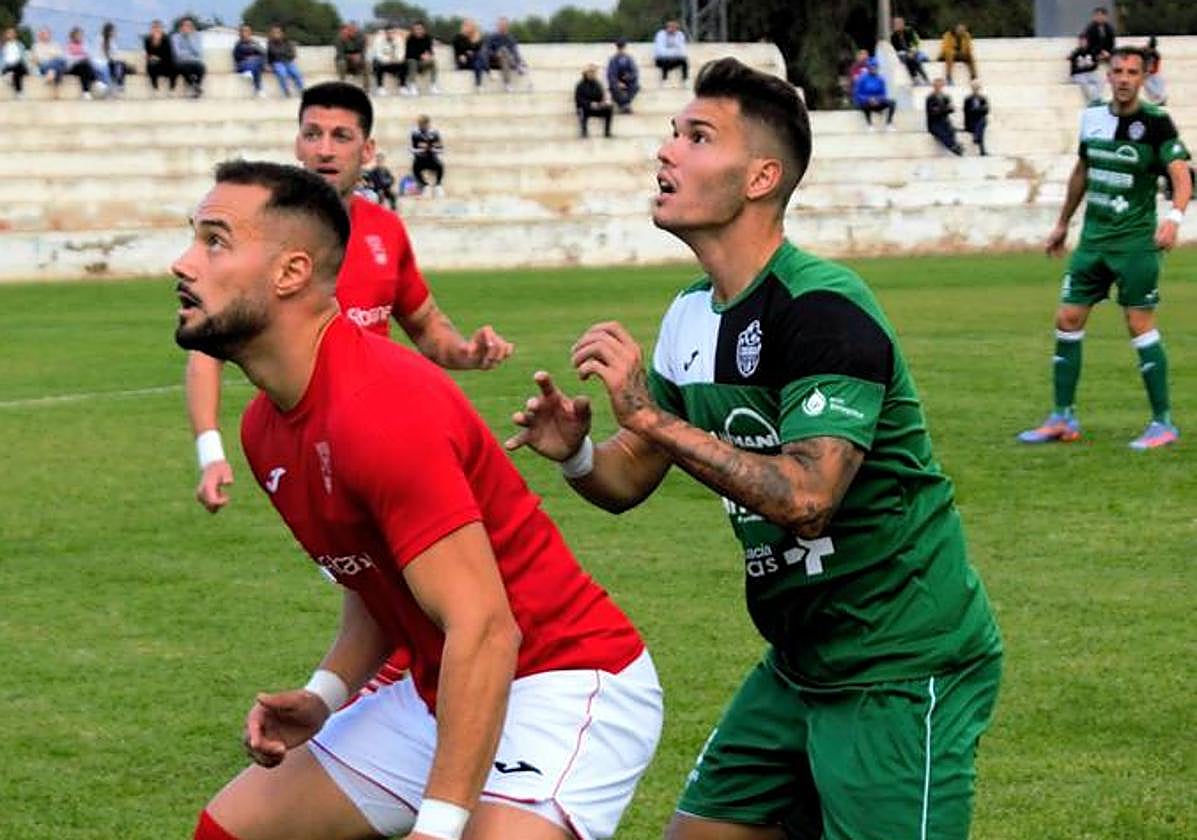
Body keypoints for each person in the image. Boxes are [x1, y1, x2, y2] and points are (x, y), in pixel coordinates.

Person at [506, 56, 1002, 840]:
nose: (666, 151)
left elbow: (807, 499)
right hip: (799, 659)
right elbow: (629, 477)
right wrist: (576, 453)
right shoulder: (689, 317)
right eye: (672, 133)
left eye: (697, 137)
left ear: (761, 176)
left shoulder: (824, 308)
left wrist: (650, 416)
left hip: (899, 662)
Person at [174, 160, 663, 840]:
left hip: (562, 680)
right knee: (226, 829)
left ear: (289, 273)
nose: (183, 262)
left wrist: (437, 827)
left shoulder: (378, 407)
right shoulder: (264, 428)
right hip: (446, 686)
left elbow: (488, 631)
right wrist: (325, 696)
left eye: (214, 240)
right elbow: (376, 582)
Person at [185, 81, 514, 711]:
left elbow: (426, 326)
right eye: (312, 133)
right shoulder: (262, 240)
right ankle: (393, 698)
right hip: (316, 443)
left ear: (369, 149)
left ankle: (399, 699)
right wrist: (211, 451)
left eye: (341, 136)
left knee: (420, 585)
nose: (324, 148)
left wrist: (467, 352)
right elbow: (205, 350)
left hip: (378, 434)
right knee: (382, 582)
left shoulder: (385, 232)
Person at [1018, 46, 1191, 450]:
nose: (1125, 78)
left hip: (1134, 245)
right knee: (1067, 318)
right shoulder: (1093, 117)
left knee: (1139, 325)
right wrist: (1063, 223)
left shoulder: (1156, 123)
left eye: (1133, 72)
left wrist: (1174, 218)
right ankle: (1062, 418)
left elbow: (1181, 177)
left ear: (1144, 78)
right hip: (1093, 242)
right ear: (1107, 75)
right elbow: (1082, 171)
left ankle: (1162, 423)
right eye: (1118, 71)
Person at [478, 17, 525, 92]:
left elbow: (515, 51)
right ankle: (517, 67)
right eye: (501, 25)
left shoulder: (510, 38)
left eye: (505, 25)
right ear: (497, 26)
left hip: (507, 61)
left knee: (505, 52)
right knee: (503, 50)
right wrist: (495, 54)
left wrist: (519, 60)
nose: (503, 27)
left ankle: (508, 83)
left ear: (507, 26)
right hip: (494, 61)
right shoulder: (491, 37)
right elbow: (485, 50)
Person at [851, 56, 895, 130]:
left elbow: (883, 93)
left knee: (892, 102)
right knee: (864, 105)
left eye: (875, 67)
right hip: (866, 102)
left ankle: (889, 123)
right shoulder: (862, 78)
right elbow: (858, 93)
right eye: (872, 67)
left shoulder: (880, 79)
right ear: (869, 68)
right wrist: (868, 99)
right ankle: (869, 124)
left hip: (877, 102)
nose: (874, 69)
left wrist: (877, 100)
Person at [65, 27, 107, 99]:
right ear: (73, 36)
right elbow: (68, 59)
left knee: (86, 67)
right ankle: (97, 81)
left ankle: (86, 92)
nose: (80, 37)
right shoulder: (68, 45)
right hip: (73, 68)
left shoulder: (84, 45)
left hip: (83, 67)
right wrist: (80, 58)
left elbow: (89, 56)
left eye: (81, 35)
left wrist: (85, 58)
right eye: (78, 35)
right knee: (84, 64)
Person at [574, 63, 613, 139]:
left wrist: (604, 102)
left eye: (594, 72)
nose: (592, 74)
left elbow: (601, 96)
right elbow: (578, 100)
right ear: (586, 73)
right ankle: (584, 132)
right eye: (590, 72)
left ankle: (607, 132)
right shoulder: (580, 85)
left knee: (609, 108)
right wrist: (590, 104)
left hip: (596, 107)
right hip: (586, 108)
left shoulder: (598, 84)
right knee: (581, 111)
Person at [926, 77, 963, 155]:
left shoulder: (946, 96)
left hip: (944, 121)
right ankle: (954, 147)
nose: (938, 87)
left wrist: (941, 109)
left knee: (951, 130)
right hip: (934, 123)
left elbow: (952, 109)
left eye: (940, 85)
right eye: (936, 85)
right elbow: (933, 112)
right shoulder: (930, 98)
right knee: (942, 134)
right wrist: (945, 109)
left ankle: (955, 146)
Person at [171, 16, 206, 98]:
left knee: (202, 68)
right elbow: (178, 53)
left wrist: (190, 38)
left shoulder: (197, 36)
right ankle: (195, 88)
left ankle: (195, 87)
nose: (187, 27)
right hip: (182, 62)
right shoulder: (175, 37)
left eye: (189, 26)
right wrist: (190, 54)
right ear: (181, 27)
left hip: (195, 62)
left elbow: (199, 52)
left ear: (193, 27)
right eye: (185, 25)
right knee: (183, 67)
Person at [410, 114, 444, 196]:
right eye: (421, 124)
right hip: (421, 159)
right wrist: (421, 150)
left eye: (425, 124)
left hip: (431, 158)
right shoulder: (415, 134)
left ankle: (438, 185)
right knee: (415, 168)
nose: (423, 126)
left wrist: (432, 149)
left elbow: (441, 149)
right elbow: (412, 149)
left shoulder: (434, 133)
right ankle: (425, 185)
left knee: (440, 166)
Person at [267, 24, 304, 97]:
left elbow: (292, 54)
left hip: (288, 62)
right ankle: (286, 92)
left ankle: (302, 90)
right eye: (274, 33)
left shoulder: (288, 42)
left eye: (277, 32)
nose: (275, 34)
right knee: (282, 74)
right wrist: (284, 53)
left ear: (282, 33)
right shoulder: (270, 43)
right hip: (277, 62)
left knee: (296, 73)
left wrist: (283, 54)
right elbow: (273, 52)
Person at [890, 16, 928, 85]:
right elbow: (896, 49)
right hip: (902, 54)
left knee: (912, 58)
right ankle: (921, 77)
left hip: (912, 51)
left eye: (898, 23)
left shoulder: (909, 31)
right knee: (909, 58)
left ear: (903, 24)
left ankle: (917, 78)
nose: (896, 25)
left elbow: (915, 42)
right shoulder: (893, 36)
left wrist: (912, 51)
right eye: (895, 24)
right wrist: (906, 53)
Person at [403, 20, 438, 95]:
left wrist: (428, 55)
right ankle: (412, 85)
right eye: (415, 29)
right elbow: (409, 54)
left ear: (423, 30)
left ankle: (433, 85)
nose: (418, 31)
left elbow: (430, 50)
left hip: (423, 62)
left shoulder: (428, 38)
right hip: (413, 62)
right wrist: (420, 56)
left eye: (419, 29)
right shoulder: (410, 39)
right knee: (412, 61)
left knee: (433, 61)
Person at [370, 24, 406, 95]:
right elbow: (377, 54)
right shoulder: (378, 39)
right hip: (383, 62)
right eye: (388, 33)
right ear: (385, 33)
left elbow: (401, 53)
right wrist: (389, 59)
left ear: (394, 33)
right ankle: (380, 87)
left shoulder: (399, 39)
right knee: (376, 63)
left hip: (395, 62)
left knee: (405, 63)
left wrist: (397, 59)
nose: (390, 35)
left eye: (392, 32)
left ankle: (402, 86)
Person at [232, 24, 266, 98]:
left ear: (250, 33)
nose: (245, 33)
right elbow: (240, 53)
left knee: (257, 61)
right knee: (256, 61)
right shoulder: (238, 44)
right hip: (242, 66)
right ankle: (259, 89)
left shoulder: (255, 42)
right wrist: (252, 52)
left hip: (254, 65)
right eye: (243, 31)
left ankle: (258, 88)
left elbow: (263, 52)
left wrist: (253, 50)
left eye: (247, 31)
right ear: (240, 33)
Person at [606, 38, 639, 114]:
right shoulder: (613, 59)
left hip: (628, 81)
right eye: (619, 48)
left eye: (622, 47)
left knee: (636, 86)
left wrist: (628, 77)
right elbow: (611, 74)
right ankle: (625, 105)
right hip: (616, 82)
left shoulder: (629, 59)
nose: (621, 50)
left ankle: (623, 105)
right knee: (615, 87)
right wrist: (618, 82)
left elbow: (635, 72)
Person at [32, 27, 69, 94]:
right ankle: (53, 76)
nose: (45, 35)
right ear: (39, 35)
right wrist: (51, 57)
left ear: (50, 35)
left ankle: (51, 73)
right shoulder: (36, 46)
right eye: (43, 33)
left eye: (46, 33)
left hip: (55, 63)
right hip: (44, 66)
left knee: (61, 61)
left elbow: (60, 57)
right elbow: (36, 60)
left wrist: (51, 58)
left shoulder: (56, 44)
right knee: (55, 64)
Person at [144, 19, 176, 94]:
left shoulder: (167, 38)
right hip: (155, 64)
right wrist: (154, 43)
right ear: (151, 29)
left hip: (166, 63)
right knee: (150, 64)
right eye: (154, 27)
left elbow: (169, 53)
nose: (156, 29)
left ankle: (171, 88)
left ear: (161, 29)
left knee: (173, 64)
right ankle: (155, 88)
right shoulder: (147, 39)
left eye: (158, 27)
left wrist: (158, 56)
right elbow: (148, 53)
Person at [1069, 33, 1103, 103]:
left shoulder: (1091, 51)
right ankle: (1092, 101)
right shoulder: (1075, 53)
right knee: (1084, 83)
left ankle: (1097, 98)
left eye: (1084, 41)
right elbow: (1074, 69)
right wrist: (1086, 67)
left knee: (1100, 81)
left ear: (1087, 42)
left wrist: (1086, 67)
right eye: (1081, 41)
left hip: (1089, 73)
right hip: (1078, 75)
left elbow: (1095, 65)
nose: (1082, 43)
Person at [653, 19, 688, 85]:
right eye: (671, 27)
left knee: (684, 61)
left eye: (675, 28)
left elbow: (682, 51)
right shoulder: (660, 35)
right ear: (667, 27)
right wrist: (674, 51)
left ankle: (685, 80)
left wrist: (671, 52)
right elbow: (661, 52)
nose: (673, 29)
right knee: (665, 60)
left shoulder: (680, 35)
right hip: (660, 60)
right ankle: (664, 80)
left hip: (675, 59)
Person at [334, 21, 368, 88]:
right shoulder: (340, 38)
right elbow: (340, 53)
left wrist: (360, 56)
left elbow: (364, 50)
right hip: (345, 59)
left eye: (355, 30)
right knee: (341, 62)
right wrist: (351, 56)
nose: (353, 32)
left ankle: (366, 87)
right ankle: (342, 83)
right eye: (350, 30)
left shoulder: (361, 37)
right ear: (347, 30)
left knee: (366, 63)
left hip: (358, 59)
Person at [100, 22, 131, 94]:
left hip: (113, 62)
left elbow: (115, 54)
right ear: (109, 31)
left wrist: (117, 59)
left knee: (123, 64)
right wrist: (115, 59)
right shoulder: (102, 40)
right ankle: (119, 85)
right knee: (119, 64)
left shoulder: (112, 41)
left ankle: (119, 85)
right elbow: (104, 56)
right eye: (113, 31)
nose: (115, 32)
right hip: (105, 63)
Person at [452, 18, 482, 85]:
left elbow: (477, 49)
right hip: (462, 62)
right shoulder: (457, 37)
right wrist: (467, 53)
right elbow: (460, 49)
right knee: (478, 59)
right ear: (463, 26)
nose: (469, 28)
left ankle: (478, 84)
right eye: (467, 25)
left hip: (473, 60)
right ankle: (480, 82)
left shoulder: (473, 38)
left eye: (471, 26)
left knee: (478, 60)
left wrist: (475, 39)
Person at [963, 79, 989, 155]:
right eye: (974, 87)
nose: (976, 89)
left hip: (980, 119)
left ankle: (976, 138)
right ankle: (982, 150)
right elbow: (967, 112)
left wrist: (976, 109)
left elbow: (986, 110)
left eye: (977, 87)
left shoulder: (983, 98)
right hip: (972, 121)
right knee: (980, 127)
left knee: (982, 121)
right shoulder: (968, 99)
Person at [1, 27, 29, 98]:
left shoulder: (20, 45)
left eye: (13, 33)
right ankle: (19, 92)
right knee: (15, 71)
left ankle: (11, 76)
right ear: (6, 35)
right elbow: (1, 59)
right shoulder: (3, 46)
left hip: (19, 65)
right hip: (7, 66)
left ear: (15, 34)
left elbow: (24, 57)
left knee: (18, 67)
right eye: (9, 33)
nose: (11, 34)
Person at [1143, 35, 1166, 105]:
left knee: (1152, 89)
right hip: (1156, 73)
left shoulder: (1151, 53)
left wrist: (1146, 73)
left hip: (1152, 74)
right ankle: (1160, 101)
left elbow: (1151, 66)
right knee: (1157, 90)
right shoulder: (1155, 53)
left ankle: (1158, 101)